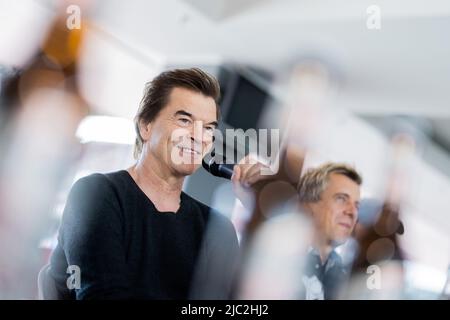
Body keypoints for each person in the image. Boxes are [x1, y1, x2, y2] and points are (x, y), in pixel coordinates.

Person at [49, 68, 239, 299]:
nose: (198, 136)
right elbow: (103, 295)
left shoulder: (218, 228)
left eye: (208, 128)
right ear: (145, 126)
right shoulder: (96, 194)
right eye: (184, 120)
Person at [296, 162, 362, 299]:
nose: (353, 212)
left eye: (356, 205)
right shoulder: (279, 255)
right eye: (342, 199)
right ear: (310, 204)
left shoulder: (343, 278)